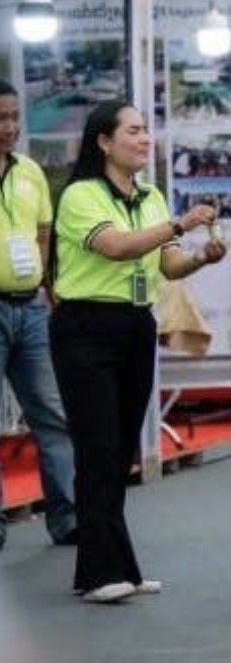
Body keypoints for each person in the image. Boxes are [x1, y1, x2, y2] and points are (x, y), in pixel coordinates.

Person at [53, 102, 225, 603]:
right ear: (104, 142)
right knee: (99, 446)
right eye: (133, 131)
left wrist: (200, 257)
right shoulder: (80, 195)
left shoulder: (150, 196)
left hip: (134, 324)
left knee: (121, 446)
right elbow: (117, 247)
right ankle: (100, 572)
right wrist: (181, 224)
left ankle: (113, 568)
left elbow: (167, 266)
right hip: (85, 327)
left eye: (147, 130)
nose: (145, 138)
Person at [0, 80, 75, 552]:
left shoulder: (29, 172)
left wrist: (47, 286)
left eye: (13, 118)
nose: (8, 128)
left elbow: (44, 232)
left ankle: (68, 519)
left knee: (53, 415)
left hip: (29, 309)